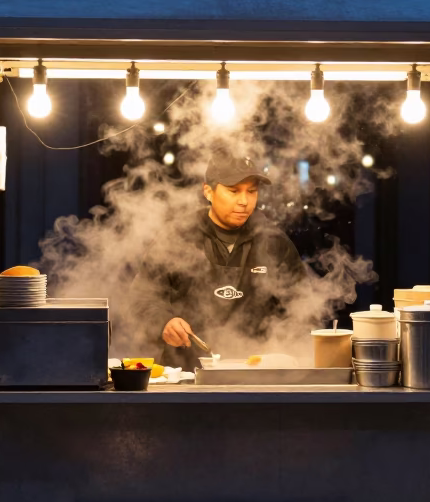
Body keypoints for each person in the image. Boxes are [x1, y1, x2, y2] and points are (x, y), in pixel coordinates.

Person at [128, 148, 308, 369]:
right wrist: (164, 321)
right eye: (233, 191)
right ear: (208, 192)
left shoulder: (274, 243)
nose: (244, 201)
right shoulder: (179, 236)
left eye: (251, 192)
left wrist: (287, 351)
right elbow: (143, 295)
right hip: (185, 374)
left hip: (255, 376)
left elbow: (299, 309)